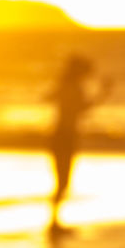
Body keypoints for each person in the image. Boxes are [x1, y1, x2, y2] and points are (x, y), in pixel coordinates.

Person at [45, 54, 110, 235]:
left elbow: (49, 98)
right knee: (63, 180)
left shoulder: (65, 85)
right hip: (66, 136)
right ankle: (54, 223)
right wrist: (103, 94)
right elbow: (82, 109)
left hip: (59, 135)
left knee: (61, 180)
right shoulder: (73, 87)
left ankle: (54, 221)